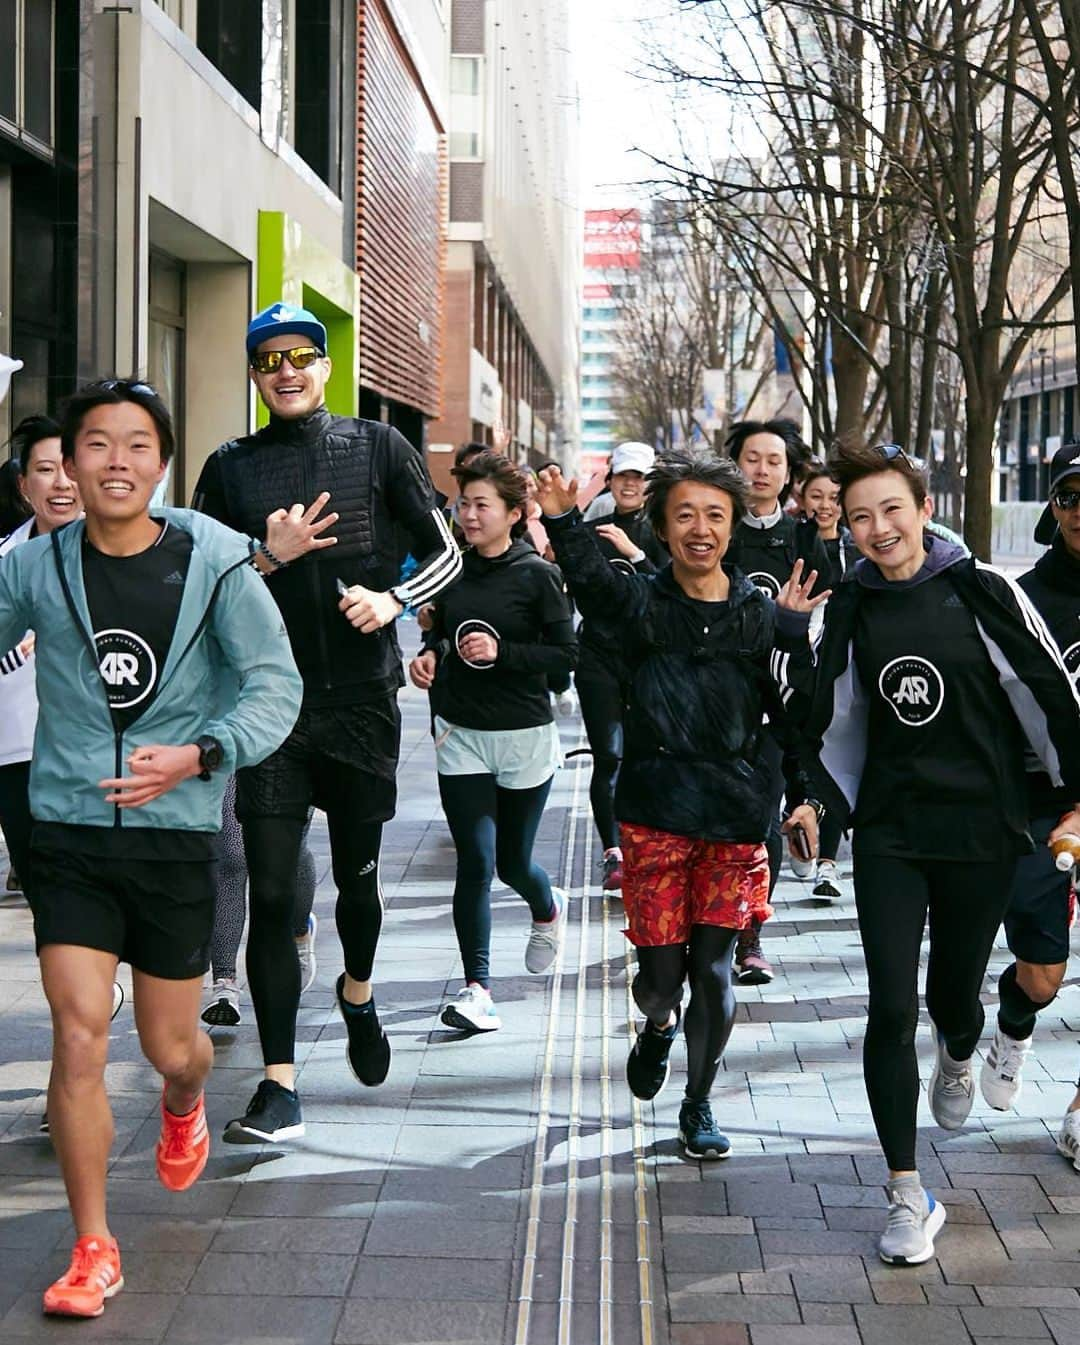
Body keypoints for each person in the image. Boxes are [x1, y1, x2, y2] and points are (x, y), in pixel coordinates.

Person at [0, 378, 301, 1318]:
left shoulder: (214, 561)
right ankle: (93, 1245)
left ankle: (182, 1103)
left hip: (175, 834)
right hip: (70, 830)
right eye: (96, 444)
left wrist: (203, 753)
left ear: (162, 462)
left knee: (175, 1048)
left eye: (136, 444)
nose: (115, 461)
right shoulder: (33, 568)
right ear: (65, 465)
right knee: (79, 1029)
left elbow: (271, 686)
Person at [773, 439, 1080, 1266]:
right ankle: (907, 1192)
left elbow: (1050, 697)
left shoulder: (985, 591)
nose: (877, 528)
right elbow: (830, 721)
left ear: (924, 509)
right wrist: (813, 803)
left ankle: (959, 1048)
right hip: (892, 833)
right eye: (862, 515)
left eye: (891, 510)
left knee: (953, 999)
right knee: (888, 1007)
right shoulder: (852, 609)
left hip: (982, 833)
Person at [192, 302, 461, 1143]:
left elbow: (446, 551)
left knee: (359, 881)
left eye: (300, 355)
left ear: (324, 364)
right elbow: (199, 580)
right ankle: (279, 1084)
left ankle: (357, 991)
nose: (286, 370)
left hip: (361, 705)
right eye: (269, 360)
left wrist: (394, 599)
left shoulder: (380, 447)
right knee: (271, 892)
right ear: (253, 374)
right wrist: (268, 554)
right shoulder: (230, 469)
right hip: (272, 708)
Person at [537, 450, 821, 1160]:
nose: (701, 529)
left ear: (732, 528)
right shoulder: (643, 600)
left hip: (733, 817)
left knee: (715, 970)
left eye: (715, 516)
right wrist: (565, 519)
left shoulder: (759, 614)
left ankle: (698, 1102)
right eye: (686, 514)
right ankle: (658, 1026)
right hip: (655, 812)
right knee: (660, 982)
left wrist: (801, 796)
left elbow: (792, 712)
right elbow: (596, 588)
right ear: (663, 526)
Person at [408, 452, 576, 1031]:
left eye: (482, 505)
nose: (469, 515)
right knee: (475, 862)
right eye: (463, 504)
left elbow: (564, 661)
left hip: (525, 735)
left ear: (513, 513)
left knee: (512, 863)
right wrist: (429, 658)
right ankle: (477, 989)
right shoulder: (450, 570)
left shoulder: (539, 576)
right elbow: (444, 638)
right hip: (462, 732)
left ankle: (548, 907)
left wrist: (506, 654)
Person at [979, 441, 1080, 1162]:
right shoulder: (1025, 601)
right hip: (1044, 811)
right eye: (1071, 494)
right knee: (1042, 976)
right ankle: (1014, 1021)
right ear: (1053, 506)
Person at [724, 419, 831, 984]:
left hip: (780, 698)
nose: (761, 470)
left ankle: (750, 937)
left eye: (774, 461)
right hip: (716, 697)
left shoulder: (804, 538)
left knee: (766, 817)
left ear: (789, 473)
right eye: (752, 458)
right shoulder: (714, 530)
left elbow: (826, 612)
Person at [568, 440, 666, 890]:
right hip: (599, 658)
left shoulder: (666, 534)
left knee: (647, 756)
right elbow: (579, 589)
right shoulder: (593, 530)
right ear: (609, 481)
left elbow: (674, 593)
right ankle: (614, 854)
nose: (630, 484)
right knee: (609, 755)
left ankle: (647, 845)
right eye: (623, 476)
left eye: (639, 477)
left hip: (650, 662)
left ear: (651, 485)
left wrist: (636, 554)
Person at [201, 776, 318, 1026]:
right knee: (232, 857)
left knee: (290, 850)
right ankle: (225, 981)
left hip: (294, 745)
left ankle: (299, 935)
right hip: (236, 745)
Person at [799, 460, 859, 902]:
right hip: (797, 658)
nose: (825, 505)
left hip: (844, 660)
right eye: (816, 495)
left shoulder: (859, 547)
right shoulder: (792, 542)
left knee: (837, 750)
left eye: (834, 497)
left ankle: (828, 864)